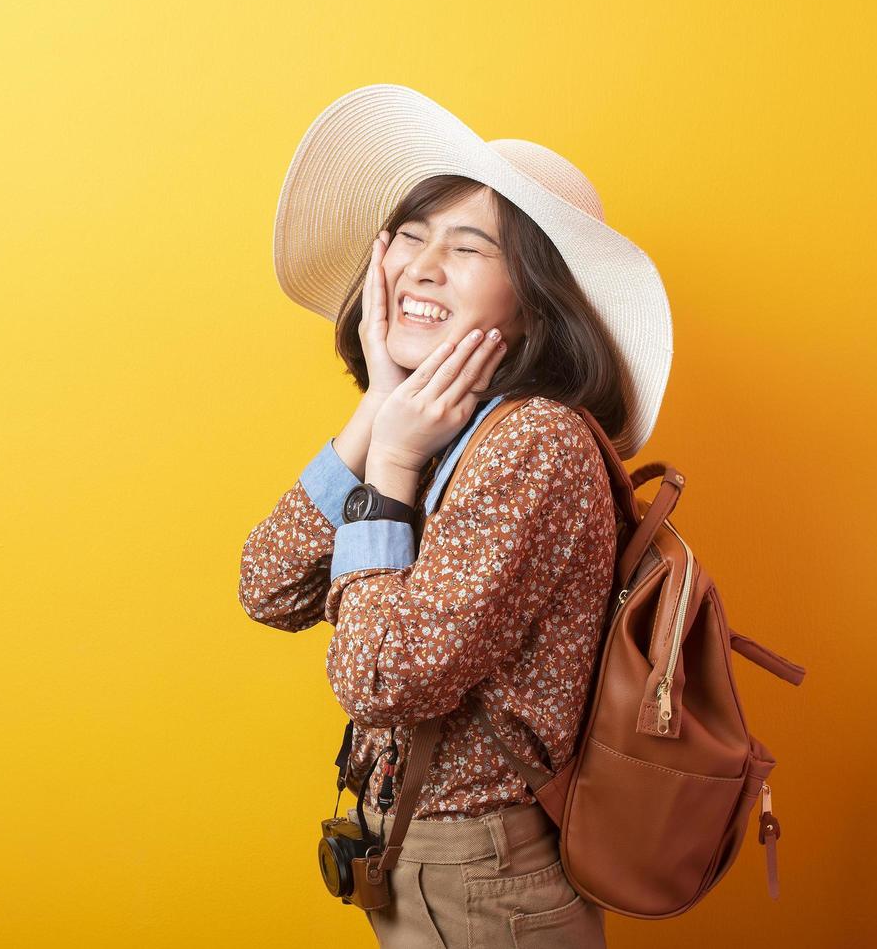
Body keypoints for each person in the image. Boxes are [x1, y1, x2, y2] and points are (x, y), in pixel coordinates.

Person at [239, 84, 673, 949]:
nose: (421, 265)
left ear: (533, 300)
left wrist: (393, 464)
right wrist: (376, 416)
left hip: (484, 878)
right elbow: (268, 585)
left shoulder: (533, 445)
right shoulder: (436, 429)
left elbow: (379, 682)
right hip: (425, 863)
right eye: (409, 234)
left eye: (468, 246)